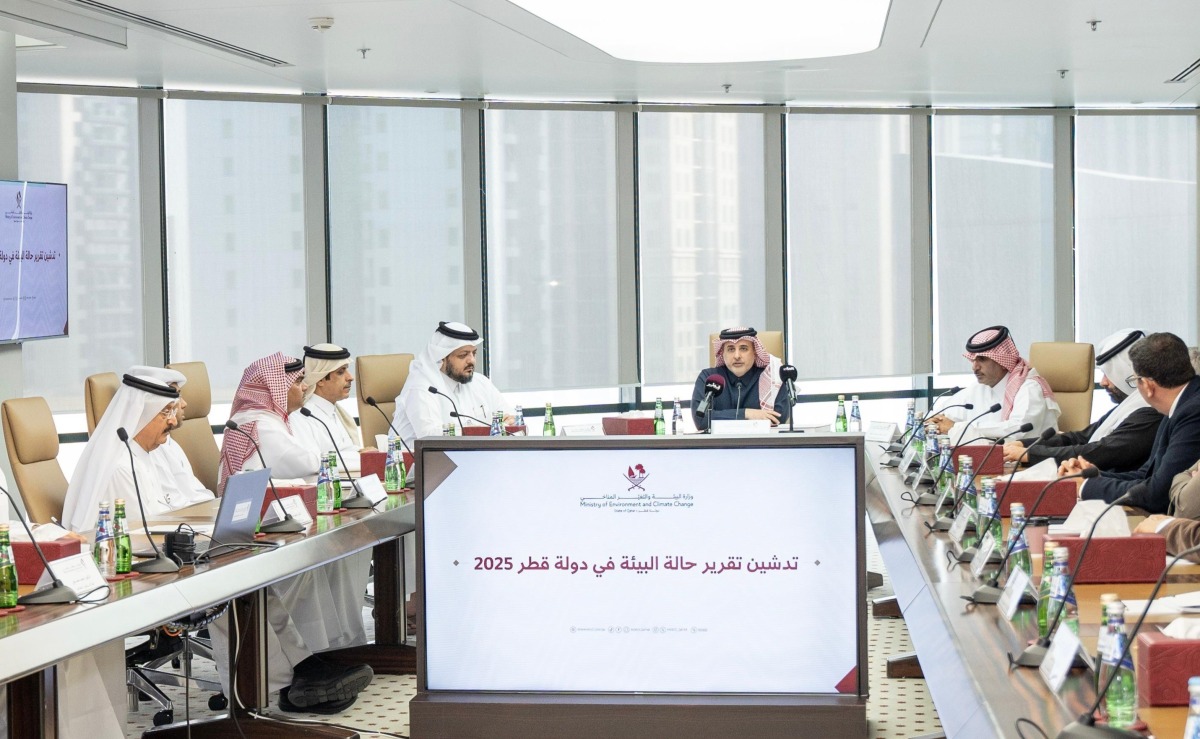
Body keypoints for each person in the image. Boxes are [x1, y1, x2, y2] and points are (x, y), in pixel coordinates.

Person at [216, 352, 373, 712]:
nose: (304, 388)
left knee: (309, 567)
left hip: (265, 526)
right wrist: (358, 458)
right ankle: (294, 678)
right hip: (248, 537)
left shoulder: (272, 419)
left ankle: (310, 667)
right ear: (274, 387)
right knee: (294, 574)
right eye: (297, 382)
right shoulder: (259, 423)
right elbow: (308, 461)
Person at [1068, 332, 1200, 513]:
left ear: (1147, 385)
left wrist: (1086, 486)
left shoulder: (1193, 412)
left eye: (1135, 380)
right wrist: (1092, 476)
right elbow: (1147, 475)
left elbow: (1158, 494)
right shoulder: (1180, 404)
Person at [1002, 329, 1162, 472]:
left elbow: (1100, 452)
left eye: (1109, 374)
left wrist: (1030, 453)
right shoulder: (1129, 405)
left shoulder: (1150, 412)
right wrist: (1025, 444)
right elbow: (1081, 437)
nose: (1103, 382)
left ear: (1127, 374)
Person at [927, 325, 1060, 444]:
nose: (974, 367)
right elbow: (942, 415)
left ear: (1002, 362)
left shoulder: (1029, 387)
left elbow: (1018, 429)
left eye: (982, 359)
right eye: (973, 360)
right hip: (991, 458)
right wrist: (933, 421)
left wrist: (959, 428)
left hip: (1031, 460)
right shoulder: (979, 387)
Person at [394, 321, 511, 447]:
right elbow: (430, 438)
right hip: (415, 458)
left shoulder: (480, 382)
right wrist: (485, 430)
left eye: (474, 353)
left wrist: (508, 423)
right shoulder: (422, 388)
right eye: (463, 355)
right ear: (442, 357)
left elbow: (510, 418)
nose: (471, 360)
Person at [691, 327, 788, 431]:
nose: (737, 356)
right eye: (731, 349)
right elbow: (701, 419)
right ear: (722, 353)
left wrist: (723, 417)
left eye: (743, 348)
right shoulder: (709, 378)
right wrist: (746, 414)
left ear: (755, 352)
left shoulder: (772, 377)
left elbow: (778, 418)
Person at [292, 343, 363, 471]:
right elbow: (318, 461)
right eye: (341, 372)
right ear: (320, 379)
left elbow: (343, 449)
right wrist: (363, 457)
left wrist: (365, 452)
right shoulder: (303, 416)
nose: (350, 377)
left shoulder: (337, 412)